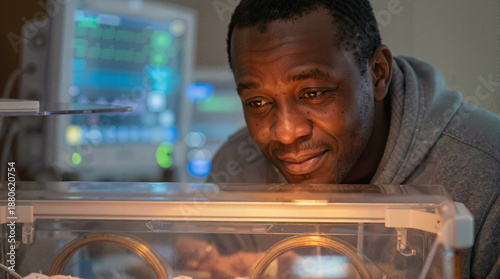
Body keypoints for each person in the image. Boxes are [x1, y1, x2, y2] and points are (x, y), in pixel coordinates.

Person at [207, 0, 500, 278]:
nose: (285, 132)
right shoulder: (234, 171)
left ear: (377, 74)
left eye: (313, 93)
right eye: (258, 102)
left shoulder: (485, 175)